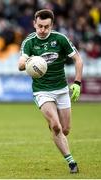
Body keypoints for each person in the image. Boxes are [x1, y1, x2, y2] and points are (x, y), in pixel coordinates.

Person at [18, 9, 83, 173]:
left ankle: (56, 129)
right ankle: (71, 162)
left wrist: (77, 82)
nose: (42, 30)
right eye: (39, 26)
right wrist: (27, 63)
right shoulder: (29, 42)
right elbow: (21, 63)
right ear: (34, 23)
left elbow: (78, 59)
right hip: (42, 91)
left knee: (65, 129)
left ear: (51, 25)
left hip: (61, 89)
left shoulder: (60, 39)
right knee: (56, 126)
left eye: (46, 27)